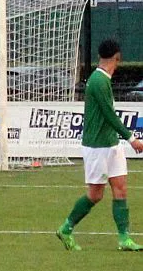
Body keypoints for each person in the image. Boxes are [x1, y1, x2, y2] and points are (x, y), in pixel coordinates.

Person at [56, 39, 143, 251]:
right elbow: (109, 115)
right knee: (95, 194)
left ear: (99, 57)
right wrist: (132, 139)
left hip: (111, 144)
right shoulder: (98, 81)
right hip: (97, 146)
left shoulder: (102, 79)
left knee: (120, 189)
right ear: (118, 58)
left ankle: (124, 239)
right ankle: (66, 228)